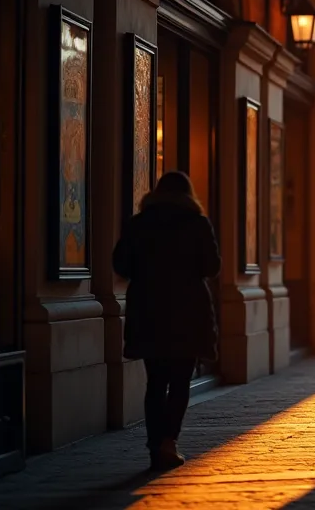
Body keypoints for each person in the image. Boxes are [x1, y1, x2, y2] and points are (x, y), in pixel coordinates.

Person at [113, 171, 221, 470]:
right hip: (189, 311)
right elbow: (212, 267)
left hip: (149, 310)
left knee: (156, 381)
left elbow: (121, 263)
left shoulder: (139, 224)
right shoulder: (197, 223)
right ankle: (169, 441)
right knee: (181, 380)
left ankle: (153, 446)